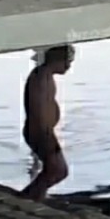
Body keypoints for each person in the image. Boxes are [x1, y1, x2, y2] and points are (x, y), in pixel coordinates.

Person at [20, 45, 75, 201]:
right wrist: (46, 135)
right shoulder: (41, 78)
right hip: (41, 131)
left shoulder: (44, 75)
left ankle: (36, 196)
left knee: (54, 169)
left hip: (42, 131)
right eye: (67, 62)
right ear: (56, 60)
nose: (68, 66)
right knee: (58, 170)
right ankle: (27, 197)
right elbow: (38, 110)